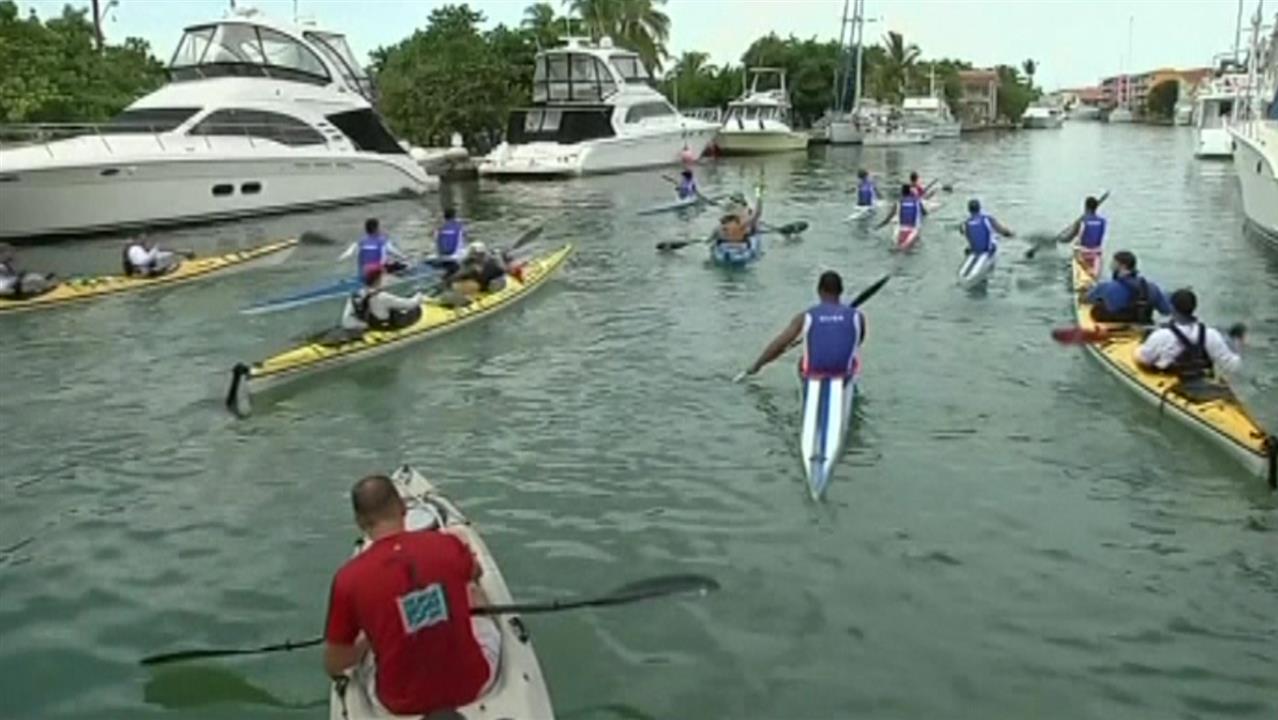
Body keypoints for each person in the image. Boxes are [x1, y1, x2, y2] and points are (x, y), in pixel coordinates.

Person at [324, 475, 500, 717]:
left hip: (399, 703)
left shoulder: (348, 579)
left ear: (360, 522)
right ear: (403, 507)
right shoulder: (449, 544)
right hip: (474, 684)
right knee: (473, 592)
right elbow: (476, 573)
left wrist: (366, 641)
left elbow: (335, 663)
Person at [739, 270, 866, 379]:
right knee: (853, 357)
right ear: (841, 291)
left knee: (802, 361)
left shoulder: (805, 316)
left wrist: (757, 365)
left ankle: (809, 385)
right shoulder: (858, 317)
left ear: (819, 291)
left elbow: (780, 343)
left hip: (815, 373)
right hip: (844, 373)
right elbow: (856, 342)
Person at [1135, 288, 1242, 379]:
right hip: (1203, 381)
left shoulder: (1161, 335)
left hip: (1173, 383)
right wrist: (1237, 344)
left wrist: (1138, 348)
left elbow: (1143, 360)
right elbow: (1232, 365)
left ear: (1172, 308)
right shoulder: (1211, 334)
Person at [1084, 250, 1171, 323]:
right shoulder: (1152, 288)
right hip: (1141, 325)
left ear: (1122, 266)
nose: (1110, 266)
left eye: (1113, 264)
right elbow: (1166, 311)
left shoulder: (1105, 287)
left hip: (1111, 326)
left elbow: (1086, 299)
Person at [341, 265, 423, 332]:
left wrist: (365, 326)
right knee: (415, 309)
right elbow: (410, 304)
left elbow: (346, 321)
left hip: (369, 325)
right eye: (384, 277)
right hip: (383, 327)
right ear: (378, 280)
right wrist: (419, 295)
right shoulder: (383, 297)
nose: (387, 279)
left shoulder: (356, 295)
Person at [342, 218, 409, 277]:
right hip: (378, 272)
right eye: (379, 227)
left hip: (364, 272)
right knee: (404, 266)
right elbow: (394, 252)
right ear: (376, 229)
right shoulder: (382, 241)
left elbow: (347, 254)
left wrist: (341, 259)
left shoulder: (360, 241)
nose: (380, 229)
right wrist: (405, 257)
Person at [1062, 196, 1106, 276]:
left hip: (1082, 253)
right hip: (1097, 253)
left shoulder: (1081, 221)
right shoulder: (1102, 221)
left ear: (1085, 207)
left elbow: (1068, 239)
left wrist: (1059, 240)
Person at [434, 207, 468, 273]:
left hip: (442, 259)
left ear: (444, 217)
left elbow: (437, 244)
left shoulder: (439, 228)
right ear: (454, 216)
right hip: (456, 259)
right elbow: (464, 241)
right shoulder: (460, 227)